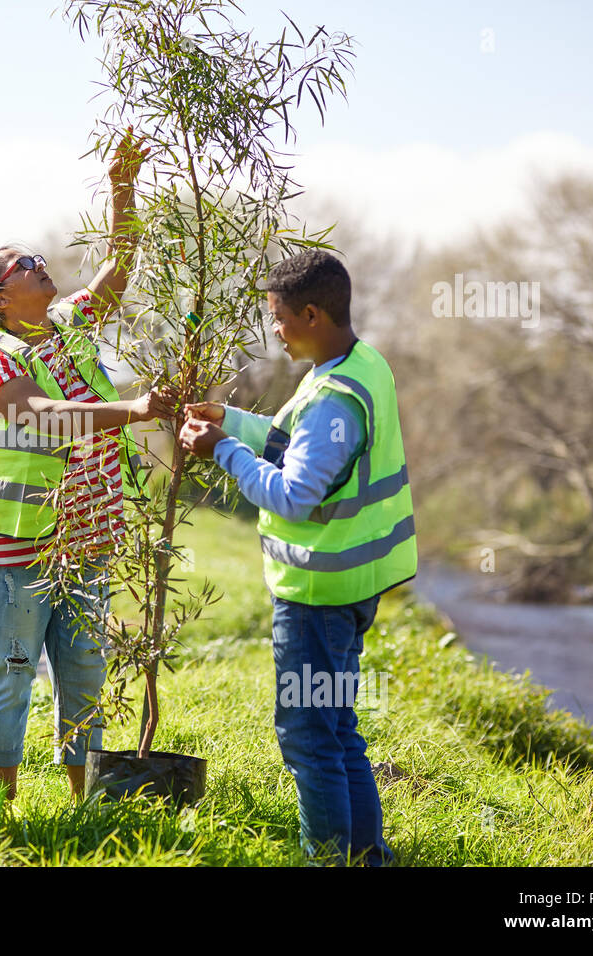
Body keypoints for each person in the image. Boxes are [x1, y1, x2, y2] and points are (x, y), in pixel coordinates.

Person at [0, 130, 179, 802]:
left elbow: (119, 269)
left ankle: (86, 805)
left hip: (83, 541)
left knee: (82, 674)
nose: (43, 267)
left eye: (41, 259)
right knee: (12, 674)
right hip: (16, 549)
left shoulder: (70, 324)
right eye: (26, 265)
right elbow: (42, 415)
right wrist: (133, 411)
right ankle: (3, 810)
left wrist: (122, 187)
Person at [179, 250, 416, 866]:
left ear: (311, 313)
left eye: (279, 318)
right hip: (353, 581)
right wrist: (229, 420)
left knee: (310, 737)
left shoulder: (335, 395)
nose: (274, 330)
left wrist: (222, 451)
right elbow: (297, 444)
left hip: (319, 592)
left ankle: (328, 858)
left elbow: (293, 492)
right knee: (338, 730)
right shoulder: (360, 365)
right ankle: (368, 857)